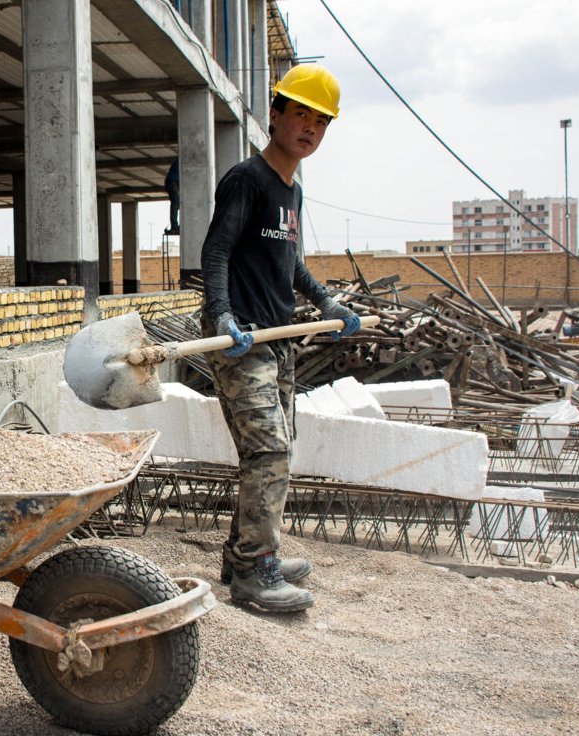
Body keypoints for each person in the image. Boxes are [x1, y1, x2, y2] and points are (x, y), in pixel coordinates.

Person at [199, 64, 360, 612]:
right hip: (240, 341)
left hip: (278, 340)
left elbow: (290, 263)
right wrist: (221, 316)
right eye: (300, 114)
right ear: (275, 115)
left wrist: (326, 301)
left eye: (321, 121)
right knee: (269, 452)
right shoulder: (247, 179)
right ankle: (254, 573)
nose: (310, 128)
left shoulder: (292, 190)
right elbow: (216, 250)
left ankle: (244, 555)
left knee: (269, 452)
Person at [164, 160, 180, 235]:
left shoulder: (178, 161)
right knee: (175, 204)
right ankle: (174, 226)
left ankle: (175, 226)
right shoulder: (183, 161)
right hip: (172, 182)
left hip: (172, 182)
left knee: (176, 204)